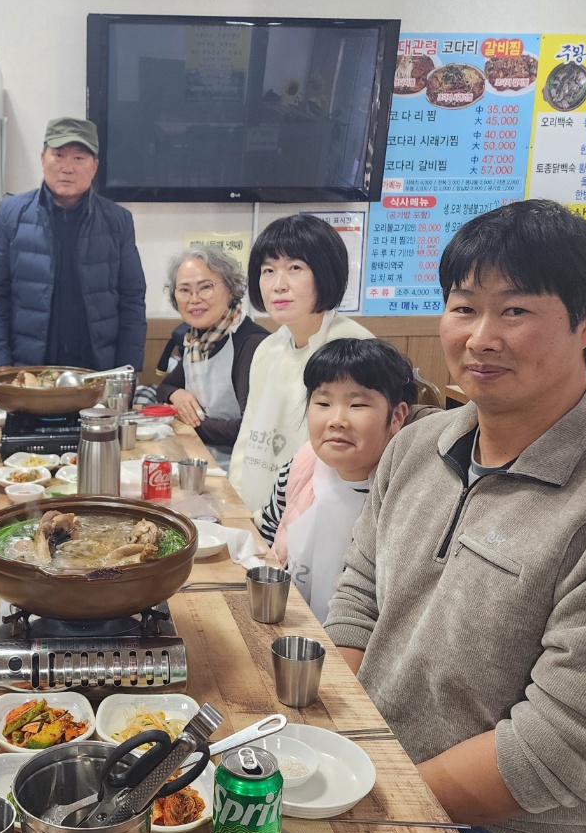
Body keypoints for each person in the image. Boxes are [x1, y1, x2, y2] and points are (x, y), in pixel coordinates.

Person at [325, 199, 586, 833]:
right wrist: (334, 747)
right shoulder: (417, 446)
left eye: (515, 310)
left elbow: (558, 746)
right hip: (382, 778)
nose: (481, 337)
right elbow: (359, 597)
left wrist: (369, 802)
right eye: (464, 307)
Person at [258, 339, 416, 622]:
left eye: (357, 404)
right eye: (323, 403)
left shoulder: (408, 496)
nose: (337, 420)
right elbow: (268, 536)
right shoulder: (301, 466)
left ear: (396, 417)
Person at [229, 214, 372, 515]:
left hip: (321, 520)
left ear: (325, 272)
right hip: (257, 519)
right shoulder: (268, 348)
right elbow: (248, 437)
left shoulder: (352, 349)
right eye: (268, 270)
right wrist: (236, 509)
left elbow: (352, 465)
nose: (278, 285)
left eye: (294, 268)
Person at [0, 117, 146, 372]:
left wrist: (127, 370)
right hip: (29, 369)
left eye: (78, 158)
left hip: (97, 371)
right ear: (42, 158)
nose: (67, 168)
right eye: (58, 155)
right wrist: (0, 364)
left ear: (94, 166)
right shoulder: (10, 215)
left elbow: (132, 298)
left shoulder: (117, 220)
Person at [155, 244, 267, 468]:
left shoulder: (251, 343)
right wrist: (177, 395)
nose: (194, 299)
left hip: (238, 472)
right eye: (184, 290)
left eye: (205, 287)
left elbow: (250, 430)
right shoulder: (196, 340)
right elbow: (165, 387)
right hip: (198, 461)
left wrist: (191, 422)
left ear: (230, 289)